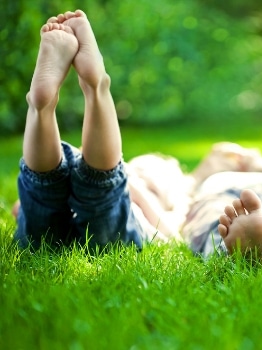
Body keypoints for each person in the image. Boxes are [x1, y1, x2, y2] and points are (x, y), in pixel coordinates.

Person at [14, 10, 176, 250]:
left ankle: (55, 103)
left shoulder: (160, 198)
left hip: (66, 221)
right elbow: (172, 236)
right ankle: (93, 87)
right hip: (103, 231)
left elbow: (19, 208)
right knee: (76, 187)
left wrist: (132, 182)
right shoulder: (173, 199)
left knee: (46, 191)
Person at [126, 142, 262, 271]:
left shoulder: (187, 189)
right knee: (222, 222)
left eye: (147, 174)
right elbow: (168, 231)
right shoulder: (184, 201)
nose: (139, 179)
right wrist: (198, 176)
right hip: (222, 194)